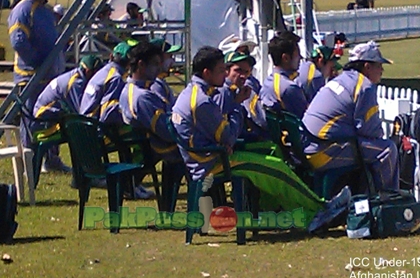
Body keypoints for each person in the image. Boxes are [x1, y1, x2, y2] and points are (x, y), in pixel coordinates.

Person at [171, 46, 351, 233]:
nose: (224, 75)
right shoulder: (202, 101)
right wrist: (236, 106)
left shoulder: (195, 93)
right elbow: (229, 137)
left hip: (209, 156)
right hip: (211, 162)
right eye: (221, 71)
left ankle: (282, 210)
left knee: (273, 155)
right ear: (207, 73)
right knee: (277, 169)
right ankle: (320, 210)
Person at [301, 41, 399, 192]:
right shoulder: (364, 86)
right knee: (388, 150)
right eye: (379, 65)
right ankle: (386, 200)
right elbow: (370, 131)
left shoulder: (342, 79)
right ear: (367, 66)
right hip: (323, 151)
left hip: (309, 145)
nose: (382, 70)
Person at [79, 41, 155, 199]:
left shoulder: (105, 71)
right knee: (142, 139)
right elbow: (107, 113)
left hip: (84, 129)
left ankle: (132, 183)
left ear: (111, 56)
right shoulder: (116, 77)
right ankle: (131, 184)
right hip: (96, 132)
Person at [8, 0, 58, 151]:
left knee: (50, 117)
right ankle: (29, 155)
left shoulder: (45, 10)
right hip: (31, 75)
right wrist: (37, 61)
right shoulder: (22, 10)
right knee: (30, 118)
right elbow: (18, 41)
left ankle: (51, 157)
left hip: (48, 74)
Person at [32, 55, 103, 172]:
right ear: (88, 71)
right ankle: (86, 170)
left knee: (80, 125)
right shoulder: (76, 83)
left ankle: (56, 163)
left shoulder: (77, 77)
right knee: (81, 129)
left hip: (52, 115)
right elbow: (81, 110)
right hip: (44, 120)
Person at [119, 41, 180, 164]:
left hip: (150, 145)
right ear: (141, 65)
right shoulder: (142, 97)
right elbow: (167, 131)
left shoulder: (129, 88)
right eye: (155, 64)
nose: (158, 68)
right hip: (158, 148)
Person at [260, 31, 308, 118]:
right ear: (285, 58)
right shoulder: (289, 88)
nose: (301, 58)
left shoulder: (268, 82)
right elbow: (307, 117)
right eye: (297, 55)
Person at [148, 37, 182, 111]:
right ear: (158, 58)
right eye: (170, 56)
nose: (172, 61)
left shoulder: (159, 81)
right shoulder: (155, 86)